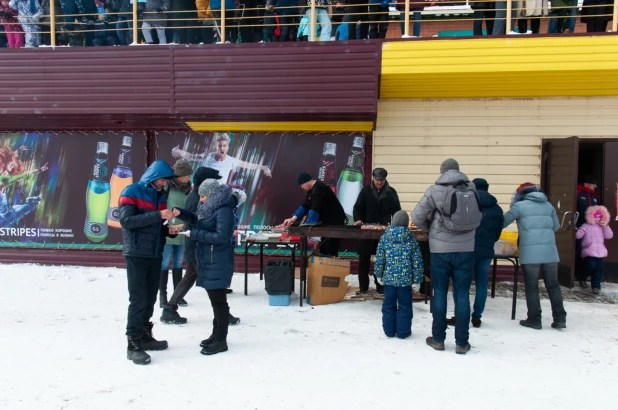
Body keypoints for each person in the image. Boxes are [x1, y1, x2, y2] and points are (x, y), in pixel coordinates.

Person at [412, 158, 480, 355]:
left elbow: (416, 216)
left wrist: (431, 231)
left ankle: (438, 339)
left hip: (440, 250)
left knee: (440, 293)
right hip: (466, 249)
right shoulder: (472, 188)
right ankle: (462, 343)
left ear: (442, 172)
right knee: (462, 295)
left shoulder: (434, 190)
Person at [161, 167, 241, 325]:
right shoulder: (197, 196)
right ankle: (170, 309)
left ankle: (169, 309)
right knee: (211, 284)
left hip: (199, 243)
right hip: (198, 245)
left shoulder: (208, 196)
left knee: (192, 277)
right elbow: (195, 221)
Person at [119, 160, 177, 365]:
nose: (164, 184)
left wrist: (167, 229)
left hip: (155, 253)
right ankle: (132, 343)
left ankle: (144, 335)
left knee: (150, 297)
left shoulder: (160, 196)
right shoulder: (131, 191)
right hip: (136, 253)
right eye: (162, 180)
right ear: (153, 177)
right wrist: (157, 215)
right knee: (138, 300)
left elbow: (156, 224)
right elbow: (126, 222)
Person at [179, 179, 235, 355]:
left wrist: (194, 234)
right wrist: (180, 213)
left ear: (212, 195)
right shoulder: (210, 207)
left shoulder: (224, 210)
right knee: (215, 301)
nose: (201, 199)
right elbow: (198, 220)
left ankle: (221, 340)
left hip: (218, 261)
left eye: (203, 196)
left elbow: (221, 237)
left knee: (219, 302)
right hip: (210, 260)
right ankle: (215, 334)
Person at [503, 183, 567, 330]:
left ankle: (534, 319)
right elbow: (556, 227)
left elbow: (503, 222)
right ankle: (560, 318)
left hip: (530, 254)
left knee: (532, 286)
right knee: (553, 285)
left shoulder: (519, 206)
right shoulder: (548, 206)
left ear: (520, 194)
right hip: (550, 252)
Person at [447, 178, 503, 328]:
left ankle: (460, 315)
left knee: (460, 283)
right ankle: (477, 317)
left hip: (467, 249)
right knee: (481, 284)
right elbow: (497, 232)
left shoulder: (467, 204)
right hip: (486, 251)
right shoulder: (497, 209)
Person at [374, 210, 424, 339]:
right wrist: (417, 279)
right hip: (405, 282)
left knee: (388, 305)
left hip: (389, 280)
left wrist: (378, 274)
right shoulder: (411, 240)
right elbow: (417, 261)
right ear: (406, 224)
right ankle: (403, 332)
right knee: (405, 306)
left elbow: (380, 258)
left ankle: (389, 331)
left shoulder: (385, 238)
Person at [352, 167, 401, 295]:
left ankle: (381, 286)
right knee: (364, 258)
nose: (379, 182)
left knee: (382, 259)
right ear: (373, 178)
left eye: (382, 180)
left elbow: (397, 211)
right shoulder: (365, 191)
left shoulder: (391, 192)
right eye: (377, 180)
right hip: (366, 230)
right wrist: (358, 220)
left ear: (385, 179)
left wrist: (395, 224)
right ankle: (363, 287)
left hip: (383, 230)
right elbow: (357, 208)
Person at [280, 172, 346, 257]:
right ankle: (324, 267)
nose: (302, 187)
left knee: (331, 248)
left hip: (334, 222)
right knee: (323, 248)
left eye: (302, 185)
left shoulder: (320, 188)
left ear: (306, 182)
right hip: (326, 223)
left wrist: (306, 227)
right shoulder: (312, 190)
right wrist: (293, 218)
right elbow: (306, 205)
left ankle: (331, 266)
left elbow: (315, 209)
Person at [172, 133, 272, 185]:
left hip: (219, 192)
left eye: (224, 146)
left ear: (227, 147)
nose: (222, 148)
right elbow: (191, 157)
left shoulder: (232, 161)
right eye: (220, 146)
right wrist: (178, 151)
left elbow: (249, 165)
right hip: (204, 190)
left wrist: (264, 167)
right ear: (217, 147)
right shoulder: (208, 156)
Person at [159, 160, 193, 308]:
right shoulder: (167, 187)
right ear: (179, 176)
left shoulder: (189, 188)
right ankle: (163, 296)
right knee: (165, 262)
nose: (189, 177)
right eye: (187, 175)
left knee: (179, 262)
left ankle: (177, 295)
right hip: (168, 228)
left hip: (182, 228)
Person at [576, 205, 613, 295]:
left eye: (600, 216)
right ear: (590, 216)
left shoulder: (602, 226)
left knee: (598, 269)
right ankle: (582, 277)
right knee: (591, 266)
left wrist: (606, 226)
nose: (598, 218)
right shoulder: (586, 226)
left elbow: (609, 236)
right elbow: (578, 236)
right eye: (596, 216)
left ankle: (596, 286)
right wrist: (577, 230)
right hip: (589, 250)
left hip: (600, 251)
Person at [576, 175, 601, 288]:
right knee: (579, 251)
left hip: (594, 228)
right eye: (593, 183)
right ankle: (580, 276)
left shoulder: (595, 196)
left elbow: (599, 211)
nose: (596, 186)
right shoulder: (578, 193)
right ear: (586, 184)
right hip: (581, 226)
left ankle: (587, 278)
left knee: (592, 254)